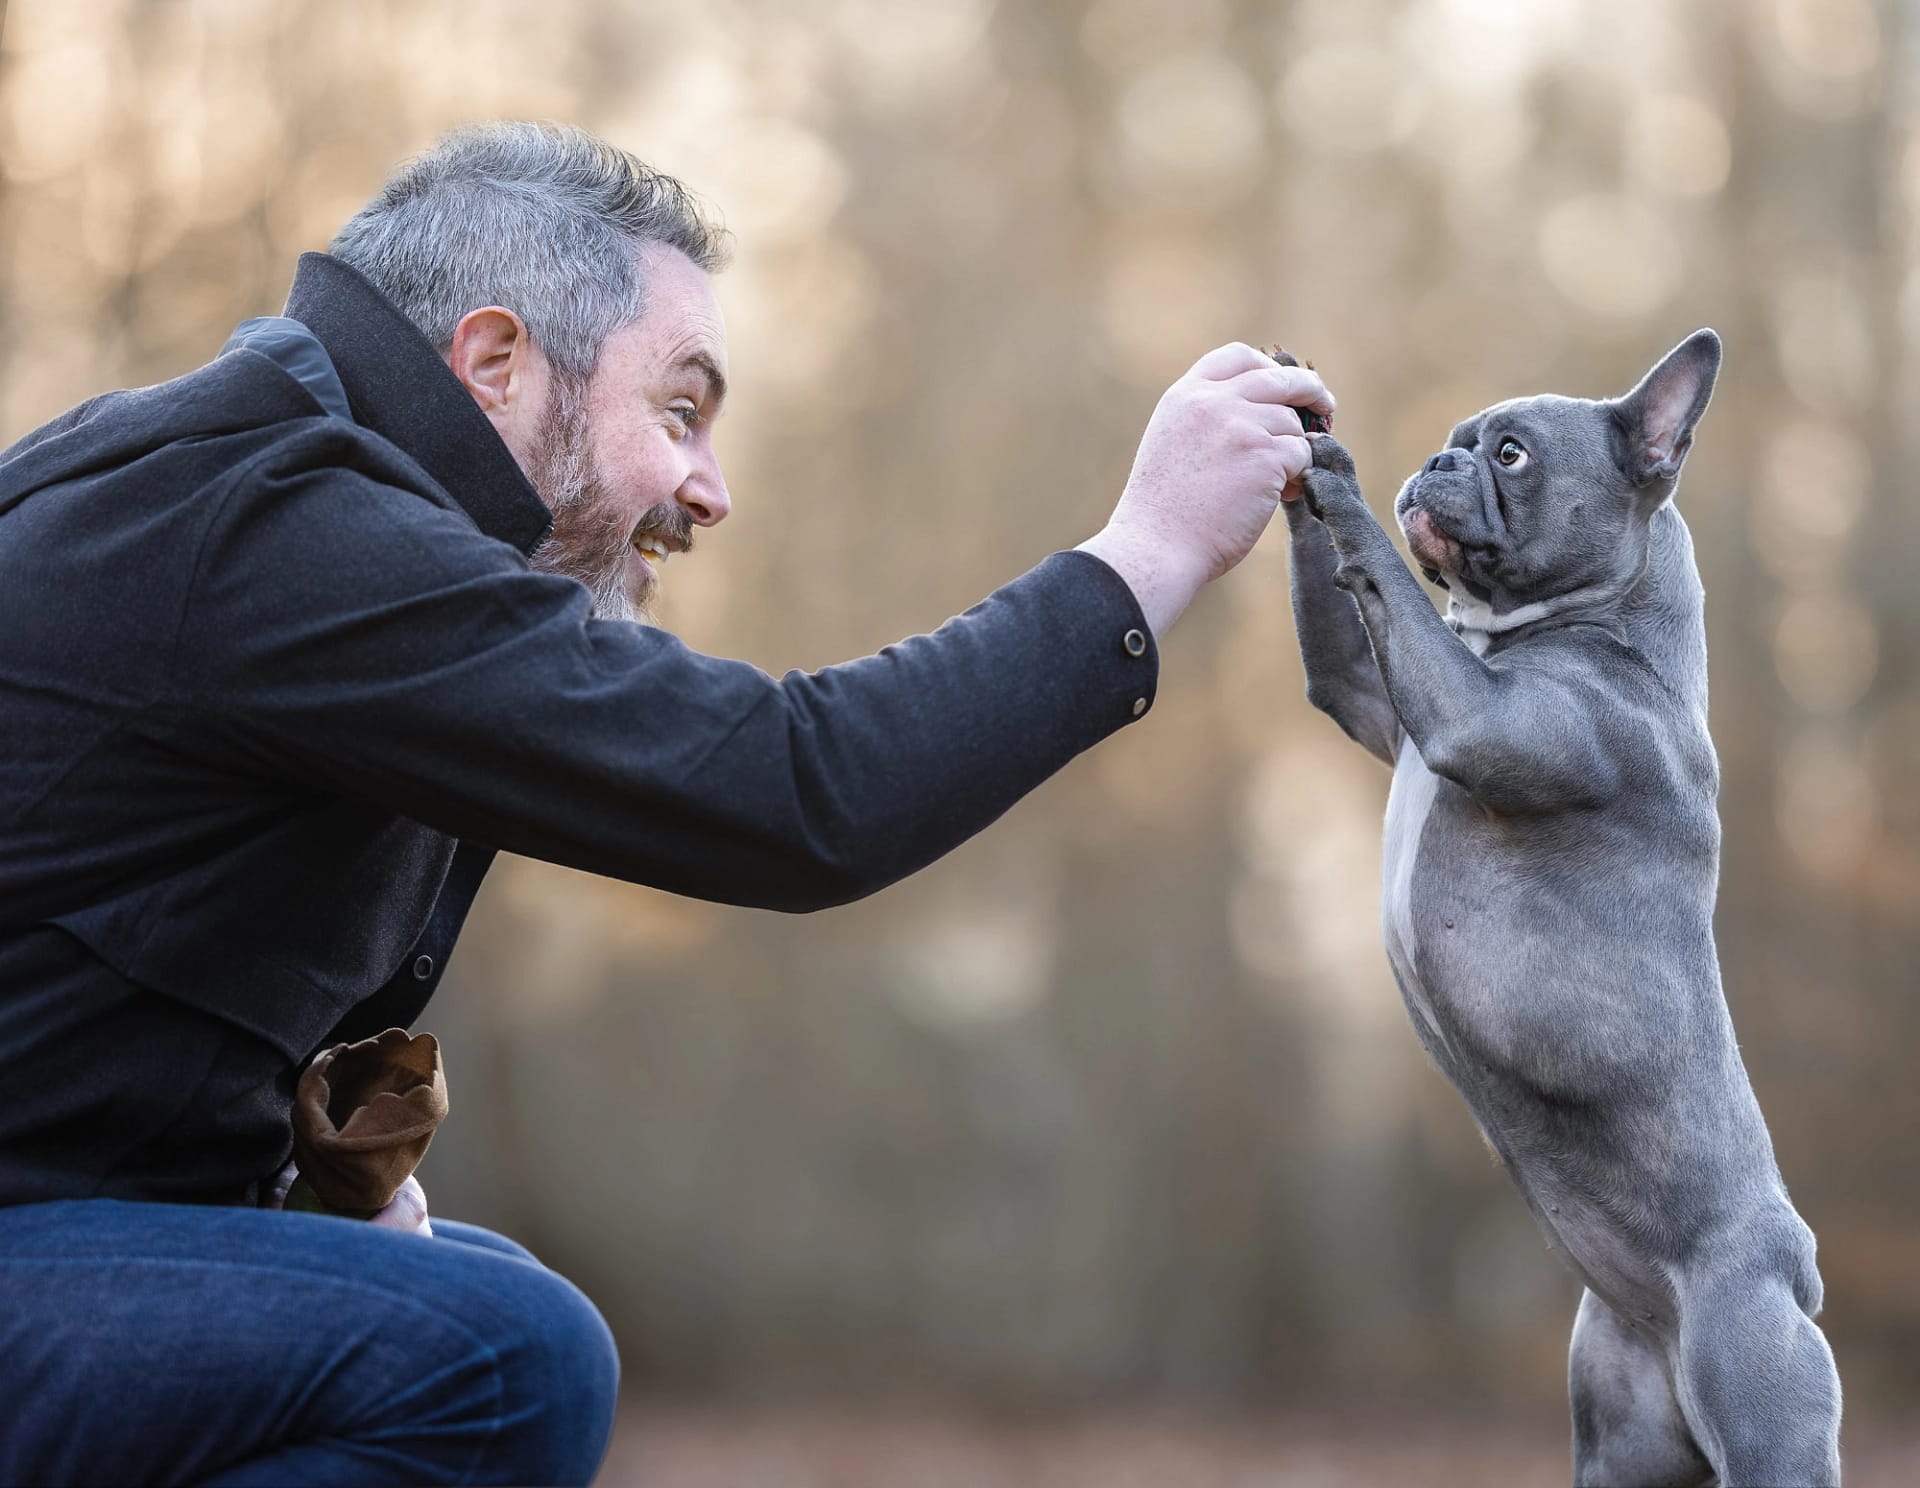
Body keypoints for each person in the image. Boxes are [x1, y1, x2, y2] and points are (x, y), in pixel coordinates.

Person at [0, 122, 1333, 1485]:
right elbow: (797, 788)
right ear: (496, 364)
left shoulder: (250, 495)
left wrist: (288, 1183)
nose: (711, 489)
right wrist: (1147, 556)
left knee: (467, 1289)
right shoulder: (279, 526)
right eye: (679, 411)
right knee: (505, 1355)